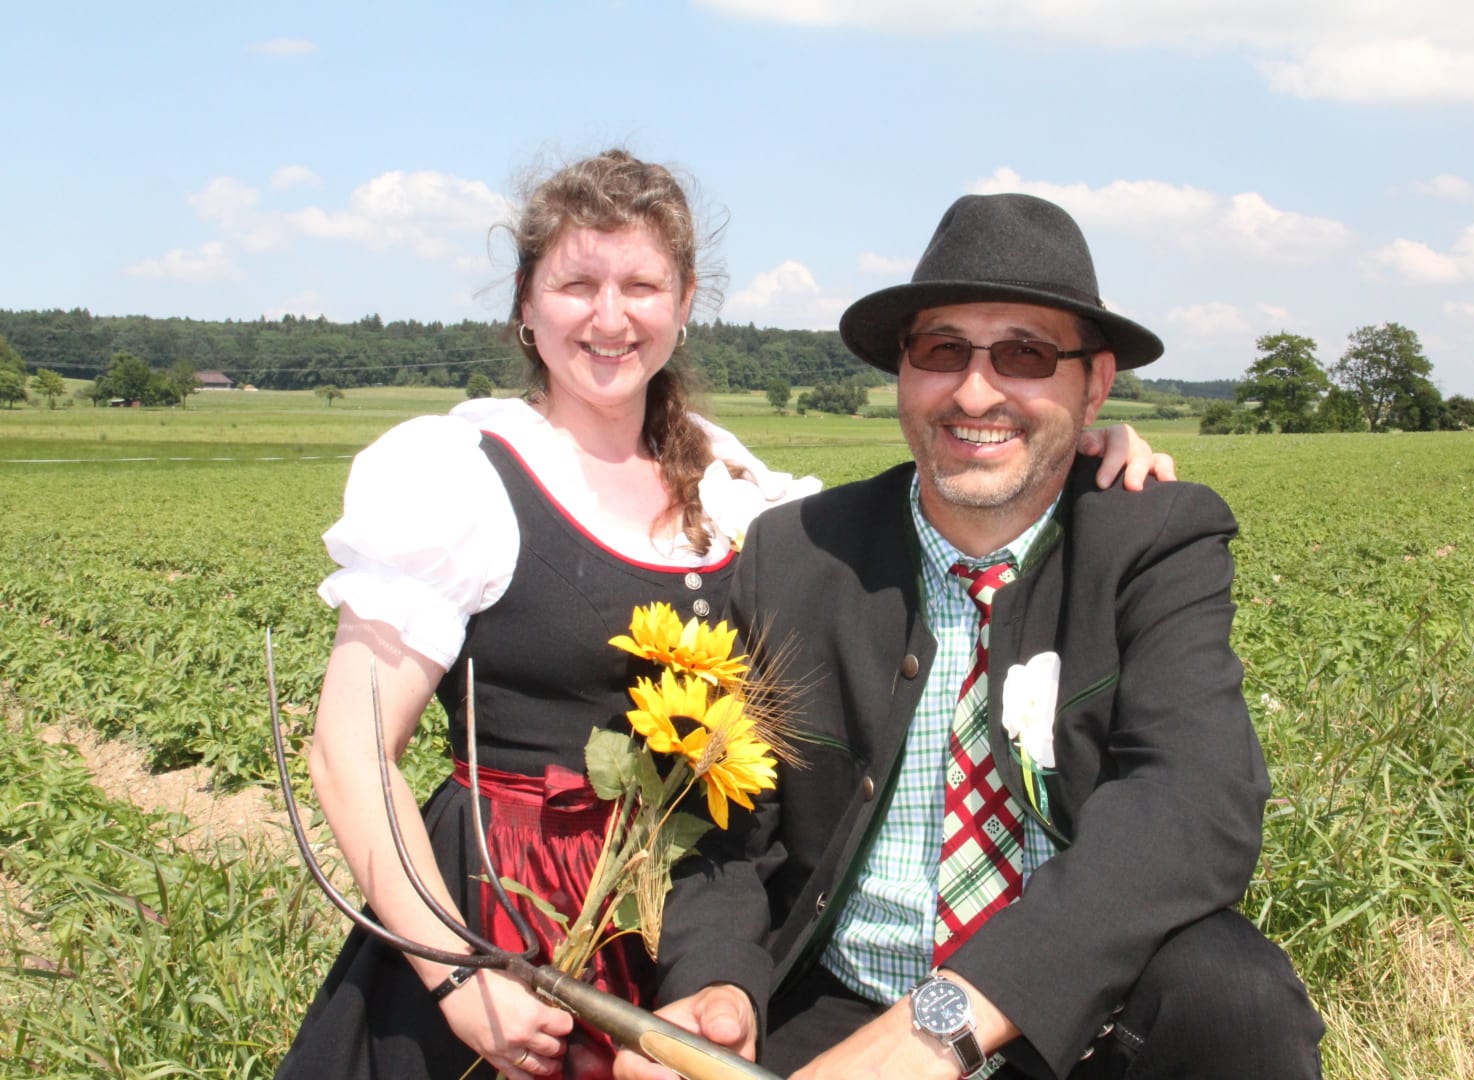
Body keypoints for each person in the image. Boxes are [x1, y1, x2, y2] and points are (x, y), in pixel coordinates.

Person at [275, 151, 1171, 1080]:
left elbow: (932, 503)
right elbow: (349, 752)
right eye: (577, 284)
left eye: (641, 286)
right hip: (499, 912)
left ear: (685, 302)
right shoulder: (456, 474)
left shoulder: (727, 478)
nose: (610, 317)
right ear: (526, 304)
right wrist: (456, 970)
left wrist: (1069, 455)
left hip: (683, 923)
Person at [616, 193, 1325, 1080]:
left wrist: (947, 1021)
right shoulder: (796, 555)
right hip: (845, 1007)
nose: (975, 391)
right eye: (942, 350)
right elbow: (728, 835)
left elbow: (1191, 802)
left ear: (1095, 384)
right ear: (903, 370)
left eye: (1026, 354)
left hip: (1069, 1013)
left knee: (1235, 997)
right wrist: (714, 987)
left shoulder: (1151, 540)